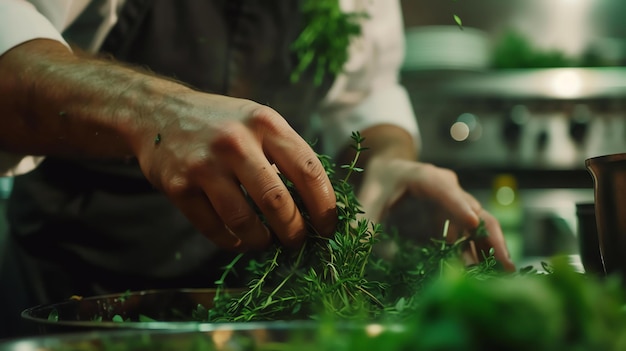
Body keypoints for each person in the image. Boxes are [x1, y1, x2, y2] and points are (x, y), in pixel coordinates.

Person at [0, 0, 515, 338]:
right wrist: (151, 109)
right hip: (78, 309)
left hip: (269, 312)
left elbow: (365, 92)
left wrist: (389, 161)